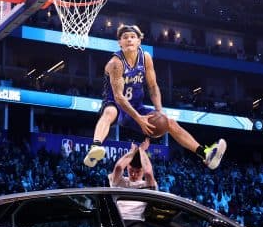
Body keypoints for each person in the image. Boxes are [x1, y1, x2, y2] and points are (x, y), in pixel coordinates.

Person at [84, 25, 226, 171]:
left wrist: (159, 111)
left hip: (137, 106)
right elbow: (119, 97)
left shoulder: (145, 58)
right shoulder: (116, 63)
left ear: (139, 41)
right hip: (117, 105)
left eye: (132, 37)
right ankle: (95, 148)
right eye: (125, 38)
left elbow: (152, 86)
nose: (129, 40)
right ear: (119, 42)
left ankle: (205, 154)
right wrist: (139, 118)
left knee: (170, 122)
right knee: (110, 112)